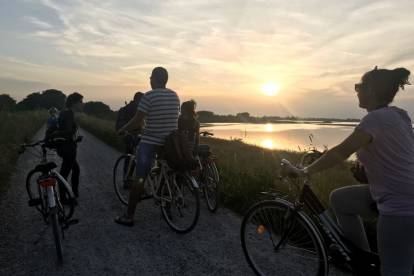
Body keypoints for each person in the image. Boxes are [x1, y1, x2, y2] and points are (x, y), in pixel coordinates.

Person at [282, 67, 413, 276]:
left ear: (370, 90)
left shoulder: (374, 120)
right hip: (400, 190)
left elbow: (340, 152)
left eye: (358, 87)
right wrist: (368, 177)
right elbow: (401, 158)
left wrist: (305, 171)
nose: (356, 91)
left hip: (403, 205)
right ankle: (361, 260)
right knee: (341, 200)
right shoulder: (400, 115)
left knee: (395, 271)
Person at [115, 67, 180, 226]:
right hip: (169, 143)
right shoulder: (175, 96)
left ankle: (129, 216)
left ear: (155, 79)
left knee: (139, 179)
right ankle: (167, 206)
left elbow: (138, 120)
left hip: (151, 142)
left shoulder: (149, 96)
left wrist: (123, 129)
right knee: (167, 173)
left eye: (150, 78)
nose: (149, 81)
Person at [52, 92, 84, 200]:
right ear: (74, 103)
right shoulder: (69, 114)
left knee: (75, 169)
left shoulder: (65, 112)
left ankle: (73, 194)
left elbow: (64, 130)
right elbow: (67, 131)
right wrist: (74, 137)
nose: (82, 104)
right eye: (80, 101)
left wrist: (74, 136)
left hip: (64, 147)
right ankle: (64, 198)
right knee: (64, 174)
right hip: (68, 148)